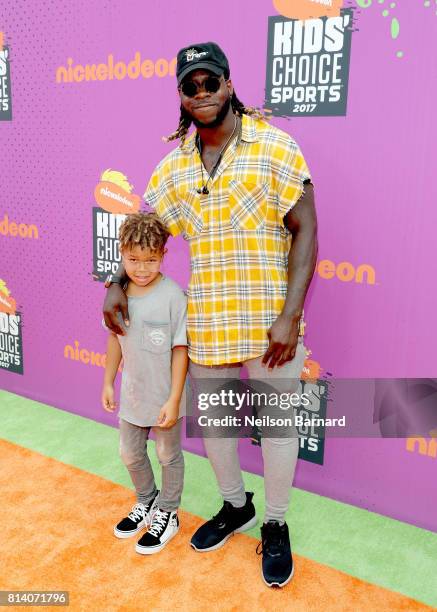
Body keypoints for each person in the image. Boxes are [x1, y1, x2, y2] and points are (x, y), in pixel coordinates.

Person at [103, 42, 318, 587]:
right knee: (219, 428)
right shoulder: (175, 166)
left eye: (210, 82)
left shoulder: (275, 145)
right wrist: (115, 280)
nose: (201, 94)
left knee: (277, 426)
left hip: (272, 325)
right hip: (211, 324)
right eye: (190, 86)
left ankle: (273, 522)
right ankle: (234, 505)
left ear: (228, 83)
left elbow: (307, 229)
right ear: (180, 94)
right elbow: (144, 234)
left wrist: (291, 315)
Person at [101, 212, 188, 555]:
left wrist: (175, 398)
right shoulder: (119, 294)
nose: (141, 268)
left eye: (150, 260)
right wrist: (108, 381)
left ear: (164, 255)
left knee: (168, 455)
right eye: (133, 260)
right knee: (130, 453)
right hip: (133, 395)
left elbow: (181, 350)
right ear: (121, 255)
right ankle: (147, 499)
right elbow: (114, 340)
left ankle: (168, 511)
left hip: (166, 396)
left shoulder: (173, 296)